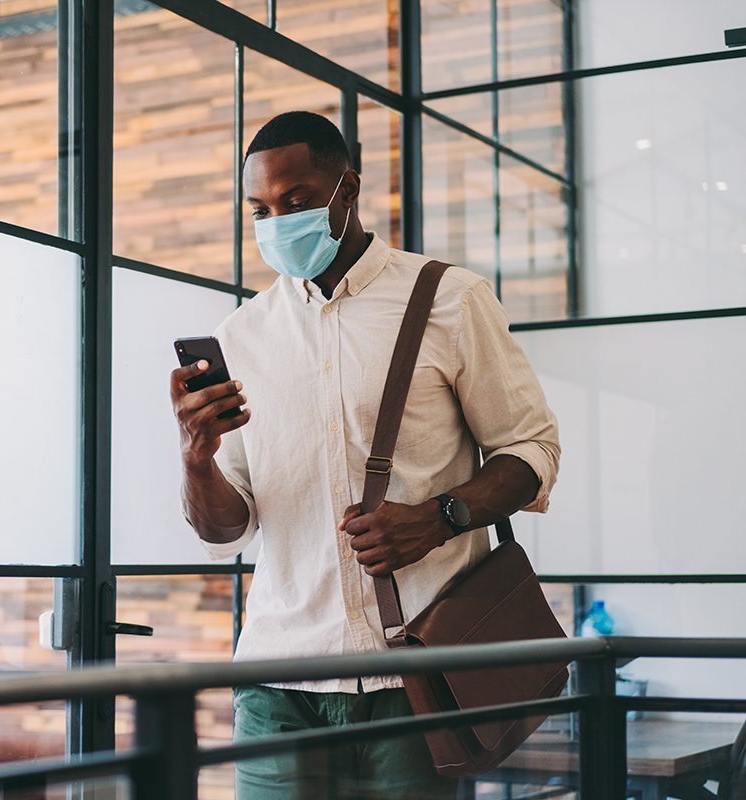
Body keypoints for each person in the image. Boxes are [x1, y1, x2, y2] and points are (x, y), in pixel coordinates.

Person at [169, 111, 561, 798]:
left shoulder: (449, 299)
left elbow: (532, 450)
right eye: (260, 209)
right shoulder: (243, 334)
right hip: (274, 684)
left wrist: (442, 517)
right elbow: (227, 528)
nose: (277, 222)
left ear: (347, 187)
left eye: (295, 201)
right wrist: (197, 459)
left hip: (413, 678)